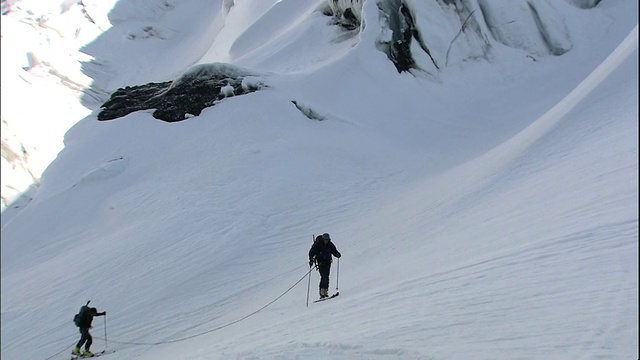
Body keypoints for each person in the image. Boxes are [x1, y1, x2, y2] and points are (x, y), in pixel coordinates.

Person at [308, 233, 341, 298]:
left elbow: (334, 251)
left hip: (328, 263)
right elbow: (311, 252)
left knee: (327, 276)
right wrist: (311, 259)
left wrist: (337, 254)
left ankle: (325, 291)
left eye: (327, 240)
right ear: (323, 239)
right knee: (324, 276)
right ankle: (322, 292)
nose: (326, 241)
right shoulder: (318, 245)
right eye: (325, 240)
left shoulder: (330, 244)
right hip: (321, 263)